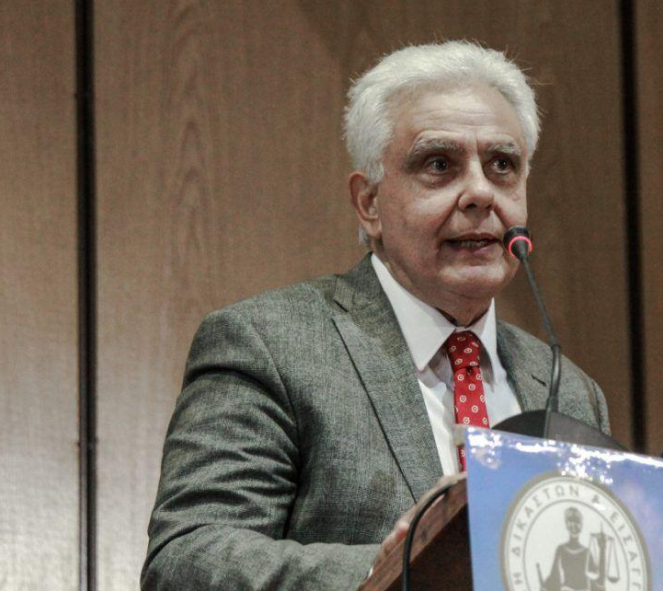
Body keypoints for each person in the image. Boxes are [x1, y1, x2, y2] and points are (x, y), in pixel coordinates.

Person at [141, 40, 611, 591]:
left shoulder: (570, 391)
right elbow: (187, 559)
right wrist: (390, 570)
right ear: (369, 204)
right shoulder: (269, 345)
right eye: (439, 165)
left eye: (502, 166)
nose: (481, 193)